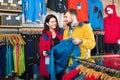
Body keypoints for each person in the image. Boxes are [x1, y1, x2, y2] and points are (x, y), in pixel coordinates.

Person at [63, 8, 96, 73]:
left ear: (72, 16)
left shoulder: (85, 27)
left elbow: (92, 44)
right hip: (70, 65)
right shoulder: (66, 31)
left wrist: (80, 41)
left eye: (66, 17)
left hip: (84, 65)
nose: (64, 19)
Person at [39, 14, 64, 80]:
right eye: (52, 22)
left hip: (59, 61)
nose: (54, 23)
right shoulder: (44, 36)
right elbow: (42, 49)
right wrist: (44, 52)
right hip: (48, 60)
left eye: (55, 21)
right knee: (48, 76)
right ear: (47, 23)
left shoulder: (61, 31)